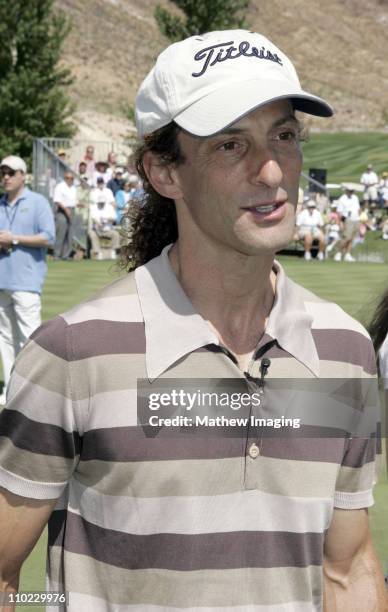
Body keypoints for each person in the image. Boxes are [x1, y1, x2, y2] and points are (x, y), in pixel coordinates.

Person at [0, 30, 386, 611]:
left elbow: (349, 569)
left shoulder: (345, 351)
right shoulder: (74, 355)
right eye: (231, 146)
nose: (274, 173)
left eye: (284, 136)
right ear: (164, 173)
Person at [0, 155, 55, 404]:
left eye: (11, 172)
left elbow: (48, 238)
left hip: (26, 282)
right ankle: (12, 389)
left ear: (23, 175)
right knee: (6, 338)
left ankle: (34, 390)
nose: (6, 177)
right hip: (3, 281)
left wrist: (14, 239)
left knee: (31, 338)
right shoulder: (0, 204)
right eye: (3, 173)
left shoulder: (37, 202)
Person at [53, 171, 78, 260]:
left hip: (72, 209)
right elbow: (57, 200)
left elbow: (74, 201)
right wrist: (65, 209)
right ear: (64, 178)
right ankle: (56, 254)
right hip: (62, 210)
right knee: (61, 233)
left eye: (71, 178)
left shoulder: (74, 188)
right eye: (67, 178)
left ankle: (66, 255)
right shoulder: (60, 187)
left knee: (70, 234)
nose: (70, 180)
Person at [334, 186, 361, 261]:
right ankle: (339, 253)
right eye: (350, 191)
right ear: (346, 191)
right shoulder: (342, 198)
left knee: (352, 239)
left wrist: (359, 217)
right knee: (346, 238)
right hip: (347, 219)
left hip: (356, 219)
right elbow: (339, 212)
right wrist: (340, 223)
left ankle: (347, 254)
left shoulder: (355, 197)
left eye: (352, 191)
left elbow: (358, 208)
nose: (351, 192)